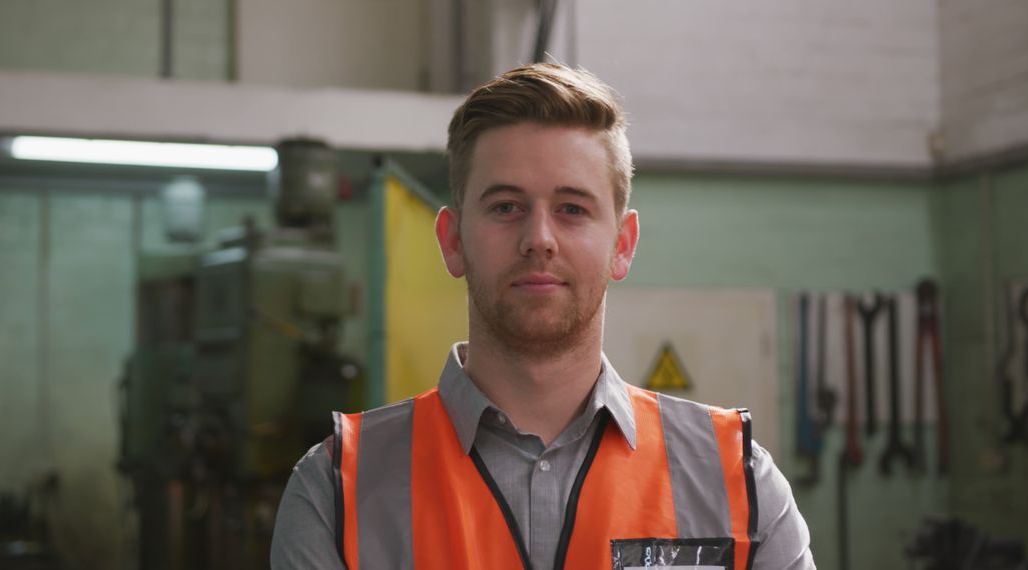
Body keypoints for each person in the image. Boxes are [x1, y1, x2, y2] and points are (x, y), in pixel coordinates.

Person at [270, 63, 814, 570]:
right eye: (506, 207)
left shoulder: (738, 480)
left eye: (572, 209)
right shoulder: (336, 490)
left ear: (623, 245)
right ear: (452, 241)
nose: (539, 240)